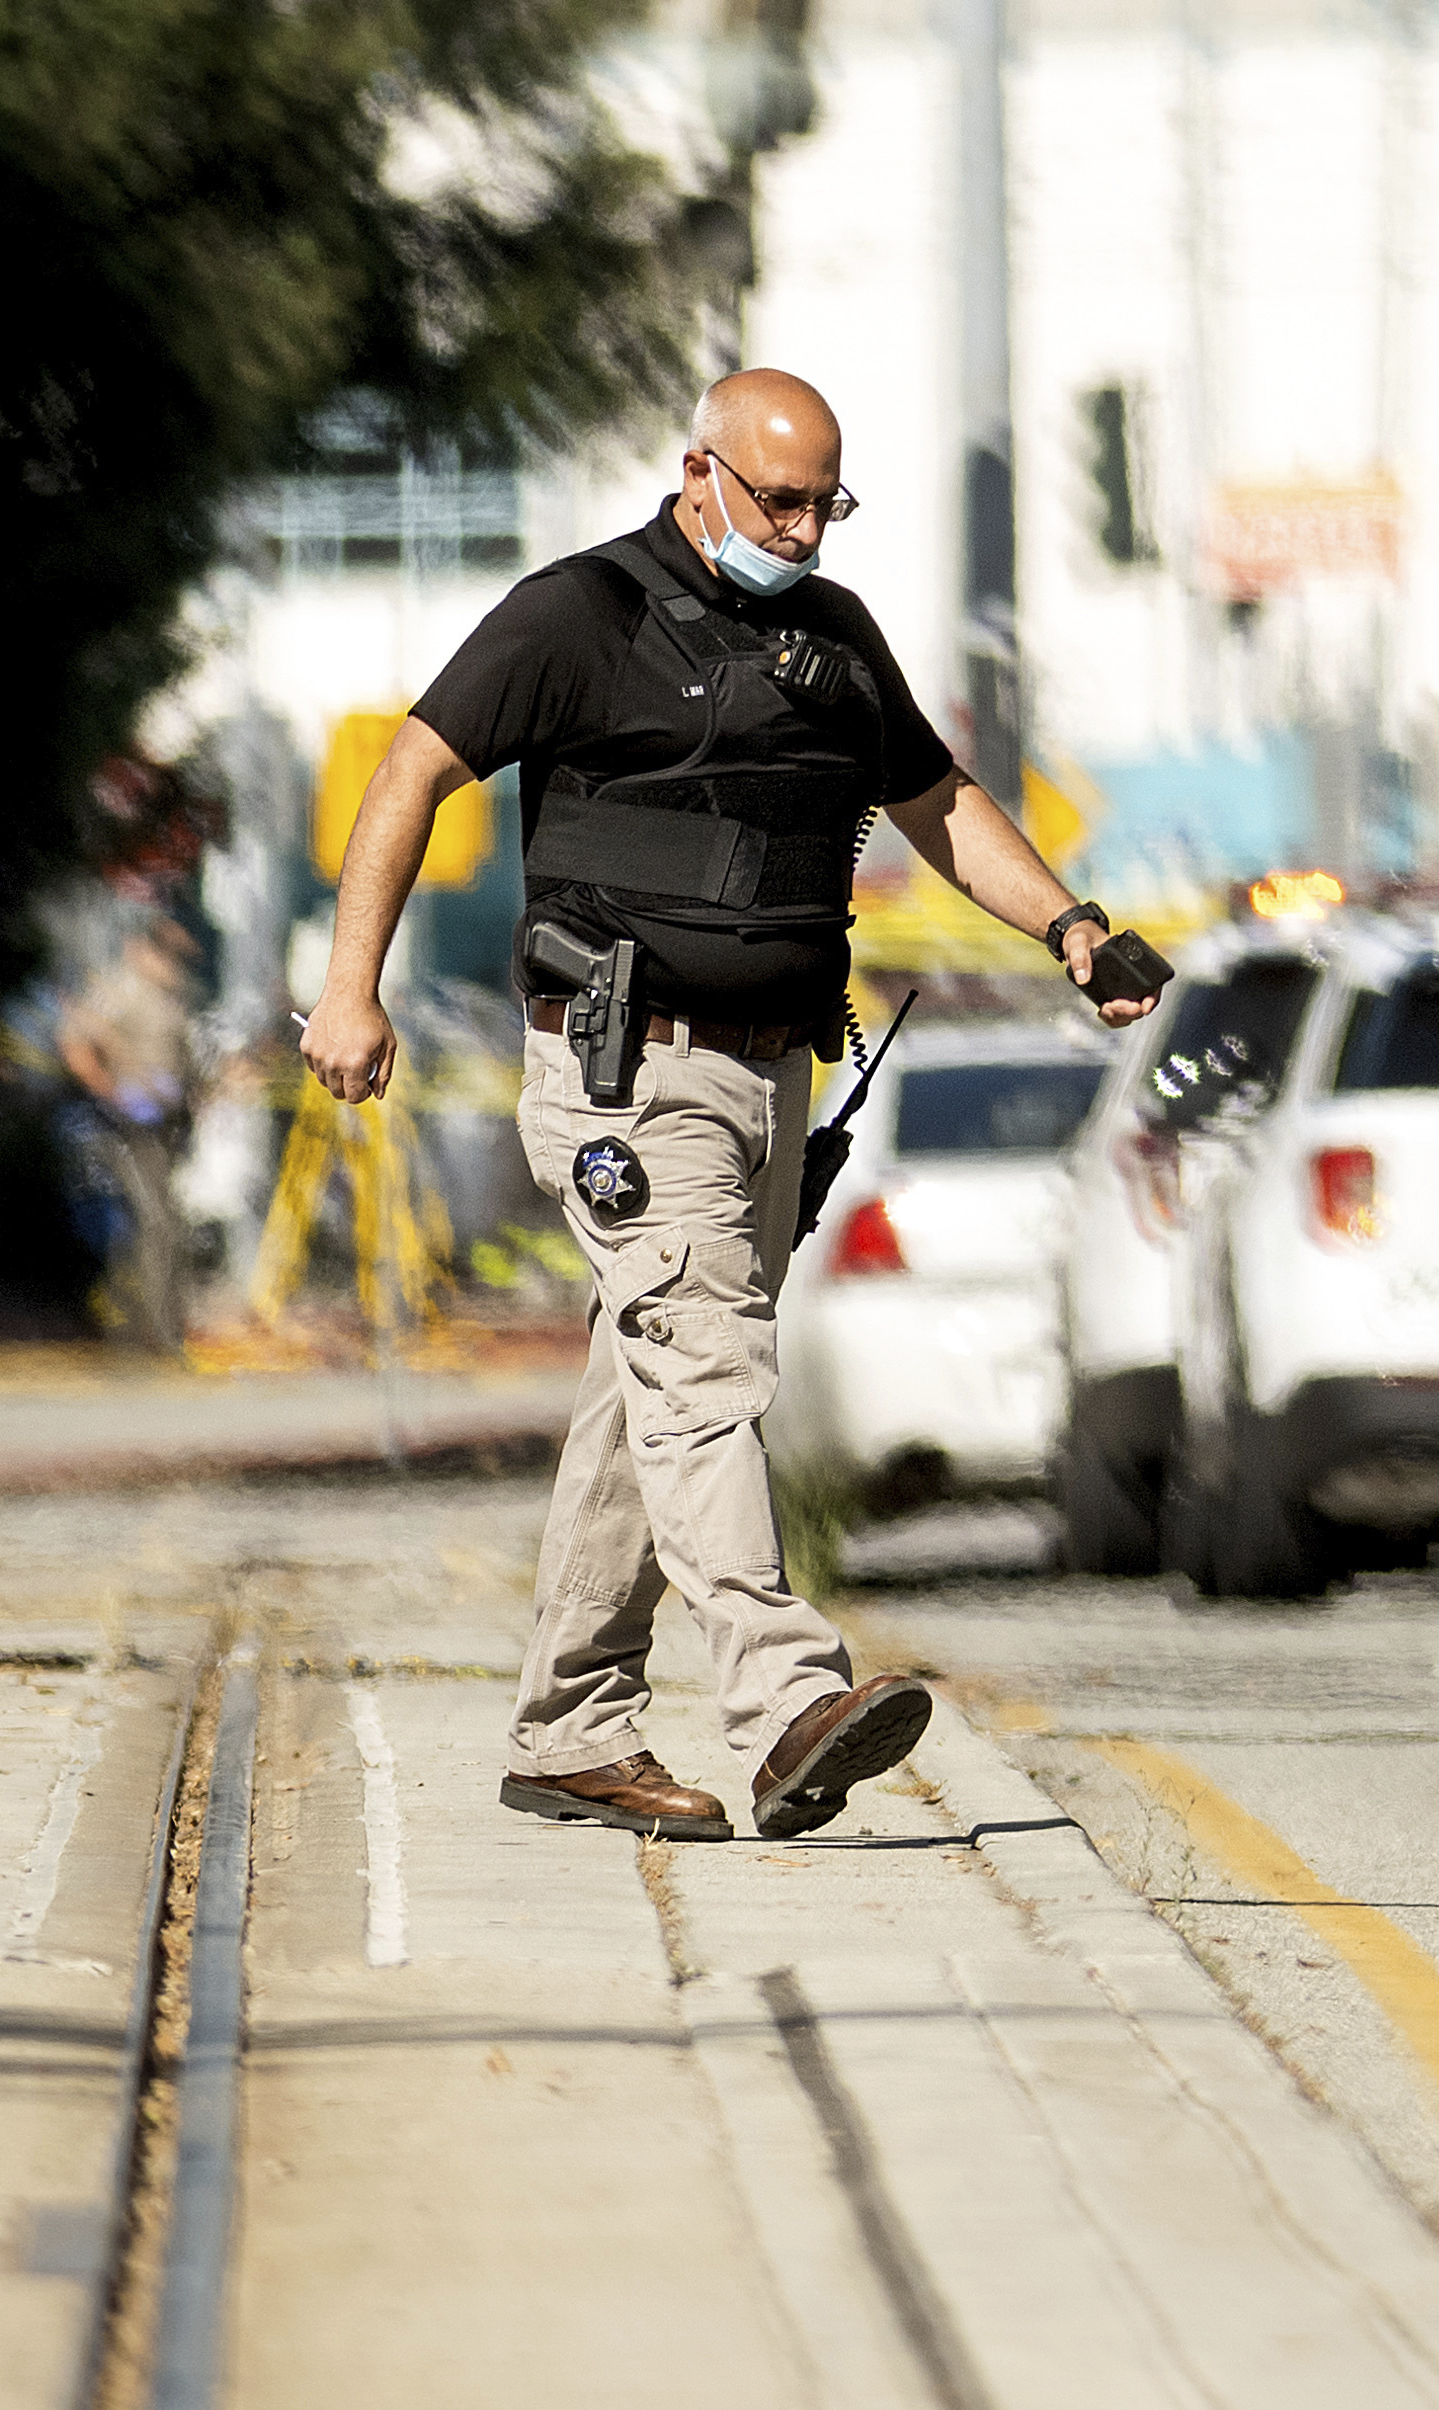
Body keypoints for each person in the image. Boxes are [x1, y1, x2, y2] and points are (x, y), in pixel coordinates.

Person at [297, 368, 1161, 1843]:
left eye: (826, 504)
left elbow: (936, 802)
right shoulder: (579, 616)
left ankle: (569, 1728)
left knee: (646, 1388)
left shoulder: (829, 636)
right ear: (696, 470)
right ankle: (782, 1700)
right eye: (777, 501)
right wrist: (349, 985)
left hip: (772, 1072)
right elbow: (410, 771)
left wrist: (1072, 928)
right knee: (704, 1365)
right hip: (625, 1072)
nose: (804, 531)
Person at [58, 919, 200, 1352]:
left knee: (159, 1223)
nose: (175, 966)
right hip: (129, 1126)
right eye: (167, 955)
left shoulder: (172, 997)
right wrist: (114, 1093)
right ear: (141, 950)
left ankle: (149, 1328)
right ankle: (150, 1333)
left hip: (164, 1125)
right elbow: (76, 1045)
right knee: (153, 1223)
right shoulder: (120, 991)